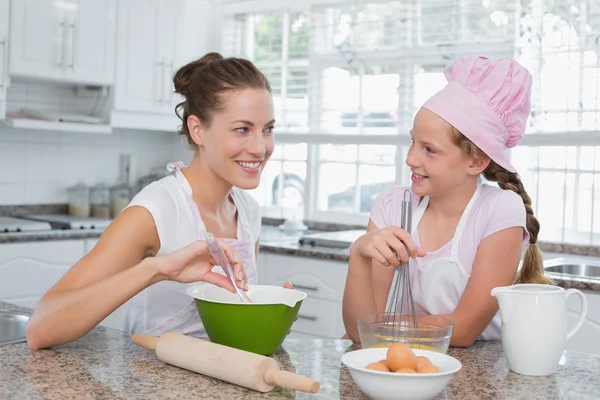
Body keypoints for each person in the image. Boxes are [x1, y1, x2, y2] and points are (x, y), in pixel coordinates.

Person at [26, 52, 286, 350]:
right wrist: (156, 270)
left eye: (267, 129)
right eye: (242, 129)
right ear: (198, 130)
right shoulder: (156, 210)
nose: (259, 147)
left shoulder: (248, 211)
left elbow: (227, 329)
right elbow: (41, 327)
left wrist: (272, 316)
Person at [342, 56, 553, 347]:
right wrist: (359, 256)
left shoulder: (500, 210)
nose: (410, 158)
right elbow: (359, 330)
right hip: (408, 364)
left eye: (430, 149)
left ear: (476, 161)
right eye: (413, 141)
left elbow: (463, 329)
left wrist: (381, 327)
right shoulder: (392, 204)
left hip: (477, 375)